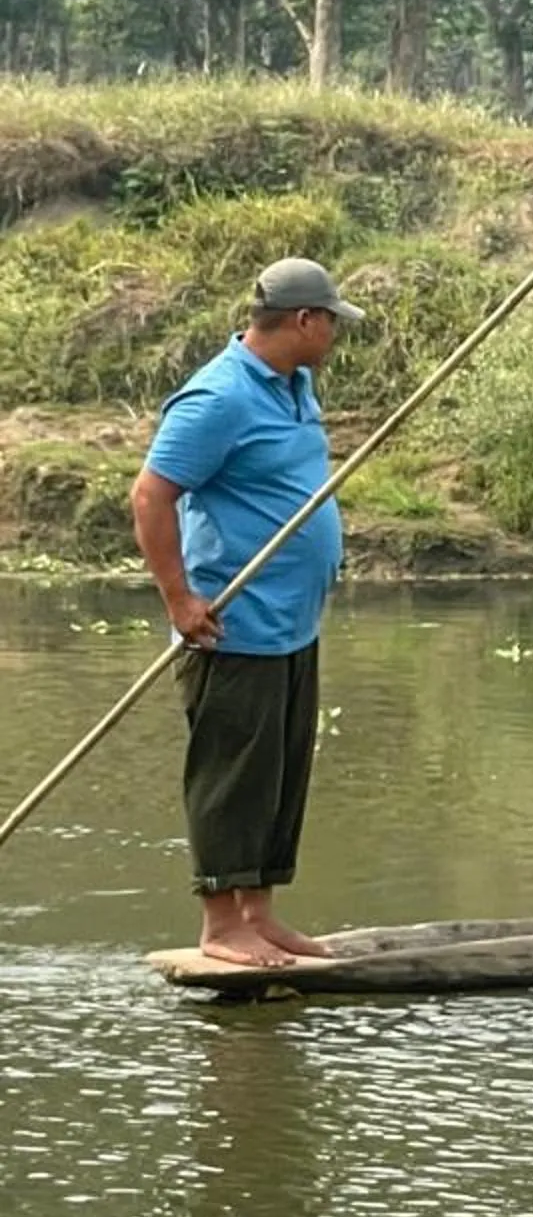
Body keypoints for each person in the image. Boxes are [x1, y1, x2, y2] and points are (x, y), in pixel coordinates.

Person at [130, 257, 362, 967]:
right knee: (232, 773)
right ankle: (220, 925)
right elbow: (151, 496)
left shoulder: (297, 384)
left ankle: (259, 915)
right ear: (304, 320)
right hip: (234, 624)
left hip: (294, 620)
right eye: (332, 322)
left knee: (280, 773)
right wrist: (179, 598)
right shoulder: (218, 398)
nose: (335, 336)